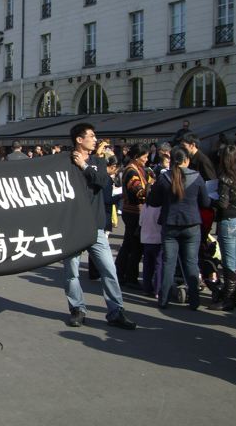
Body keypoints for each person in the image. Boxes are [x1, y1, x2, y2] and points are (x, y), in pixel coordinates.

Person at [61, 123, 136, 330]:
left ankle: (116, 311)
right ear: (79, 139)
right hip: (73, 226)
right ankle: (77, 309)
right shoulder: (64, 161)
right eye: (92, 136)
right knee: (71, 272)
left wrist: (84, 167)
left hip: (96, 226)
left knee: (109, 270)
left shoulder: (97, 161)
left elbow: (103, 182)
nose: (95, 140)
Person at [152, 146, 211, 310]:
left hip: (170, 224)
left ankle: (163, 300)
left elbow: (153, 201)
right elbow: (205, 203)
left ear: (171, 161)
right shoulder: (197, 177)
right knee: (191, 262)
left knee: (168, 263)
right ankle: (194, 300)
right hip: (192, 224)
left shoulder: (164, 178)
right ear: (187, 160)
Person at [209, 145, 236, 311]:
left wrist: (211, 199)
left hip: (228, 220)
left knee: (229, 261)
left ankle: (229, 298)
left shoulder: (225, 178)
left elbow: (223, 203)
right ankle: (234, 295)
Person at [115, 143, 151, 287]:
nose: (146, 159)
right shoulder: (131, 171)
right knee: (134, 246)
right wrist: (151, 191)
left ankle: (121, 273)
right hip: (133, 212)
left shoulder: (138, 169)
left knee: (129, 244)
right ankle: (129, 276)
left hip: (135, 211)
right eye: (144, 157)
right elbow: (139, 193)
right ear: (136, 157)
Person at [139, 190, 162, 298]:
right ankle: (158, 289)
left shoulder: (145, 207)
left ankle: (146, 288)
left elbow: (140, 222)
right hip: (158, 239)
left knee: (147, 266)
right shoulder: (161, 207)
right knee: (159, 265)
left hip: (146, 239)